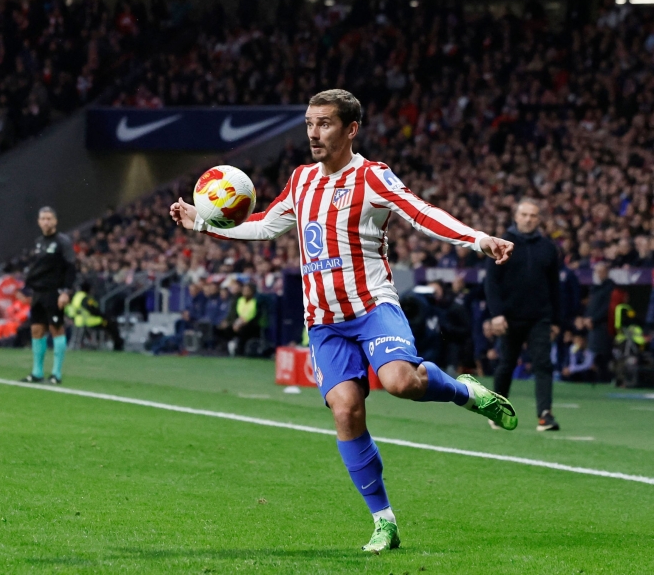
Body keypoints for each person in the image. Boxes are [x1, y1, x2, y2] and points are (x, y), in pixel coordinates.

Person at [169, 89, 516, 553]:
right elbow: (265, 224)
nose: (314, 133)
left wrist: (478, 239)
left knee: (400, 382)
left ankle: (465, 392)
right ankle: (384, 522)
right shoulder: (301, 180)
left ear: (351, 129)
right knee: (346, 411)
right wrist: (202, 223)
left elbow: (421, 213)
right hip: (324, 321)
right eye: (309, 124)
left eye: (325, 123)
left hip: (372, 307)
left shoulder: (372, 177)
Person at [484, 198, 562, 432]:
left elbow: (555, 286)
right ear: (516, 217)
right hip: (509, 317)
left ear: (539, 219)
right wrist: (497, 314)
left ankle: (545, 415)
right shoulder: (501, 244)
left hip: (540, 316)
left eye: (533, 215)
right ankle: (497, 410)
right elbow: (491, 282)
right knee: (506, 364)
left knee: (543, 364)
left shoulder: (548, 248)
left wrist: (557, 321)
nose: (528, 219)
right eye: (524, 215)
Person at [21, 206, 76, 385]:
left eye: (49, 218)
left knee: (56, 328)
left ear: (55, 221)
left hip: (55, 292)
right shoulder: (39, 242)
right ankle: (37, 372)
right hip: (39, 293)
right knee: (36, 330)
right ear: (39, 222)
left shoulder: (63, 242)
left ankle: (56, 374)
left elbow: (70, 267)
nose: (46, 222)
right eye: (43, 219)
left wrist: (65, 291)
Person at [65, 281, 124, 350]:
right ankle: (117, 343)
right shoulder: (85, 298)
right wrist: (103, 315)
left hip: (78, 320)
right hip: (88, 320)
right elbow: (93, 310)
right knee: (110, 323)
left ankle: (112, 342)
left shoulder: (77, 296)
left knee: (109, 322)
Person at [583, 262, 615, 380]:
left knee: (603, 354)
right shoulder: (594, 287)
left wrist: (593, 319)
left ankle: (606, 379)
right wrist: (586, 318)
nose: (598, 274)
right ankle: (598, 379)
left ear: (606, 273)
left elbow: (607, 307)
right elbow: (590, 305)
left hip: (603, 326)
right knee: (594, 355)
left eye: (601, 272)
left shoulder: (610, 287)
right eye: (597, 271)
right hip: (592, 325)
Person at [226, 282, 261, 357]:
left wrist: (242, 322)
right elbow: (238, 313)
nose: (245, 292)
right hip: (240, 321)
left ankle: (241, 351)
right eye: (244, 290)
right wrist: (236, 323)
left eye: (247, 290)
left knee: (244, 330)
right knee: (228, 328)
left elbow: (252, 314)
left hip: (251, 323)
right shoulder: (240, 300)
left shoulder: (255, 301)